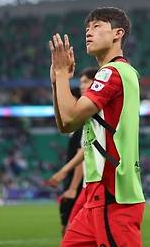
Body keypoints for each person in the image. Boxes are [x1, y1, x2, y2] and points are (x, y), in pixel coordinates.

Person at [49, 7, 145, 247]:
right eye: (87, 29)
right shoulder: (117, 72)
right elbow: (65, 125)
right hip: (96, 196)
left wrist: (62, 75)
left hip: (113, 195)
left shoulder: (112, 72)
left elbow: (70, 118)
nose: (88, 33)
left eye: (97, 26)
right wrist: (57, 82)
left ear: (118, 33)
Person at [47, 68, 98, 236]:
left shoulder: (90, 118)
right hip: (86, 184)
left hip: (89, 184)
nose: (82, 85)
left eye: (85, 81)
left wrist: (71, 184)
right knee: (74, 232)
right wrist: (56, 83)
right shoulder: (81, 123)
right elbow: (64, 124)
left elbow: (84, 153)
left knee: (71, 230)